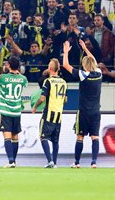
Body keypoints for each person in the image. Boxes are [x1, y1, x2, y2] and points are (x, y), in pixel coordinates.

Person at [62, 40, 102, 168]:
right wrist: (85, 48)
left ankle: (77, 162)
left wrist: (66, 51)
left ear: (84, 65)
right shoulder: (99, 73)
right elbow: (94, 60)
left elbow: (65, 65)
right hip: (96, 111)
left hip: (84, 111)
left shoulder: (83, 74)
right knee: (95, 137)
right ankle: (94, 162)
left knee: (80, 137)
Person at [0, 56, 28, 168]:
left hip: (5, 110)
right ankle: (14, 161)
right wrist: (18, 74)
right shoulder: (23, 79)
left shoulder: (3, 78)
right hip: (16, 111)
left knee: (7, 137)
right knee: (15, 137)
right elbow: (24, 82)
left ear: (9, 66)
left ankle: (10, 161)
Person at [32, 58, 67, 168]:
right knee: (55, 140)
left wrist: (35, 107)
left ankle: (50, 161)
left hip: (49, 114)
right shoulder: (63, 82)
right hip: (59, 115)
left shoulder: (48, 81)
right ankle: (55, 163)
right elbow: (65, 100)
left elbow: (42, 98)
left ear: (50, 68)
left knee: (43, 137)